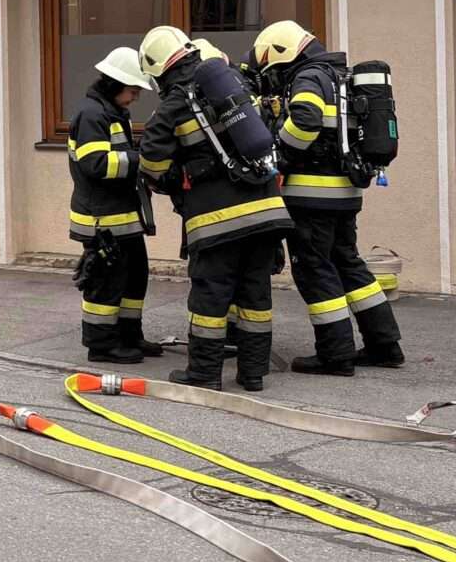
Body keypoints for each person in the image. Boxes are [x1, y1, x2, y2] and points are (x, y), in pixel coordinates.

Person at [139, 27, 293, 391]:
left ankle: (205, 374)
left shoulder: (174, 103)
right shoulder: (236, 82)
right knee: (256, 293)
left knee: (211, 295)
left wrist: (181, 177)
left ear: (159, 69)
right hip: (267, 208)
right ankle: (253, 374)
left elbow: (152, 164)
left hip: (216, 221)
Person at [248, 22, 405, 376]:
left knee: (315, 269)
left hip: (311, 195)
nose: (274, 79)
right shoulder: (338, 76)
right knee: (348, 263)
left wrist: (277, 154)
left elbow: (305, 120)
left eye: (274, 71)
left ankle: (335, 354)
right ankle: (385, 345)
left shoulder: (308, 77)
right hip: (345, 192)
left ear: (283, 55)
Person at [68, 46, 160, 363]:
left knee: (135, 276)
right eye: (133, 90)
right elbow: (94, 164)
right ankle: (101, 345)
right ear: (115, 83)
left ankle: (130, 335)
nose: (135, 96)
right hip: (102, 218)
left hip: (121, 216)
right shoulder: (92, 114)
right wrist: (141, 161)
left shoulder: (111, 112)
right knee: (107, 282)